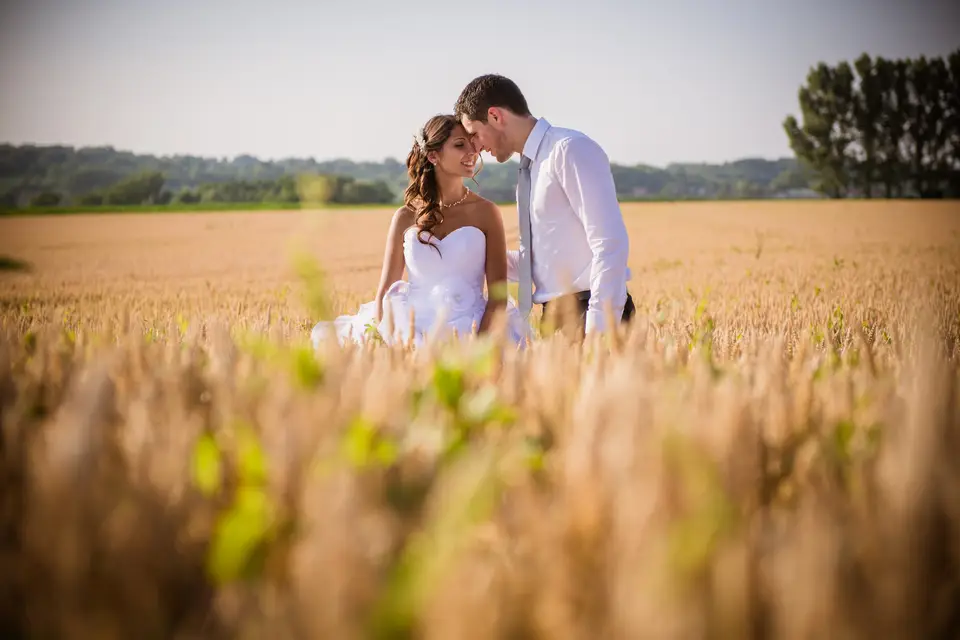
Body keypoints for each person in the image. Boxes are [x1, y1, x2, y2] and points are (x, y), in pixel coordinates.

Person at [310, 114, 528, 349]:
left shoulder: (487, 212)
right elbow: (385, 291)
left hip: (471, 327)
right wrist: (389, 341)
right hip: (411, 329)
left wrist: (479, 349)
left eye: (472, 143)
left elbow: (497, 294)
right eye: (459, 145)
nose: (472, 152)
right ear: (433, 155)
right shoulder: (405, 217)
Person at [454, 74, 635, 338]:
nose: (476, 147)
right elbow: (541, 260)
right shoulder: (529, 170)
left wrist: (598, 327)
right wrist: (460, 256)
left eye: (474, 134)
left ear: (495, 116)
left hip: (590, 312)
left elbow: (610, 243)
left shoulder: (569, 149)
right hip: (555, 319)